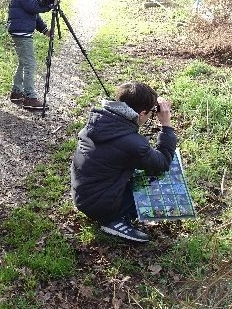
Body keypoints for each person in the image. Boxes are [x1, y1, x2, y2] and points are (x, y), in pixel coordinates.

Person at [70, 81, 177, 243]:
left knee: (140, 169)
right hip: (100, 206)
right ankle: (114, 220)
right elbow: (162, 164)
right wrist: (166, 125)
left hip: (84, 195)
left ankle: (111, 214)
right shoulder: (133, 144)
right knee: (161, 180)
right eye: (151, 113)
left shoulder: (99, 122)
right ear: (142, 114)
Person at [6, 0, 52, 110]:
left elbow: (31, 12)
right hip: (21, 30)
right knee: (30, 63)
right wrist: (47, 6)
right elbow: (32, 6)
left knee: (24, 62)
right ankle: (29, 97)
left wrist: (44, 29)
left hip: (20, 28)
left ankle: (17, 92)